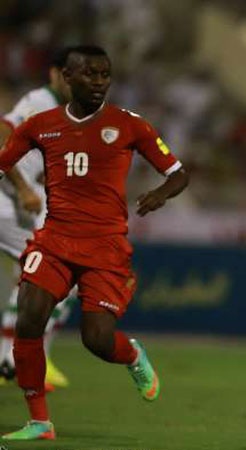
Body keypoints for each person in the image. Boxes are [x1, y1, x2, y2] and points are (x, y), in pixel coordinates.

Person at [0, 45, 190, 440]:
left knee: (97, 340)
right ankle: (40, 422)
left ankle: (132, 354)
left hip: (105, 247)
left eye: (105, 74)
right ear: (67, 77)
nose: (99, 82)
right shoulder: (41, 125)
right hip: (54, 239)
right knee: (28, 320)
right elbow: (4, 161)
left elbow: (178, 173)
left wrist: (159, 195)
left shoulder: (129, 124)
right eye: (90, 74)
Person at [0, 46, 79, 391]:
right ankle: (17, 359)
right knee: (54, 275)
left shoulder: (68, 112)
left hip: (27, 203)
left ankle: (19, 359)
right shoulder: (39, 102)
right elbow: (2, 135)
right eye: (70, 75)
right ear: (54, 73)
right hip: (10, 203)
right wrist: (22, 188)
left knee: (42, 278)